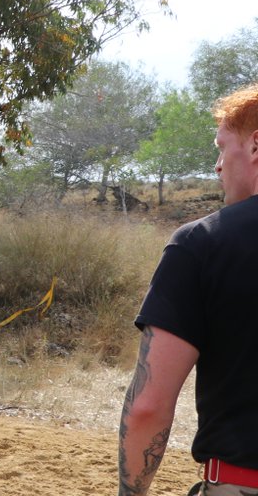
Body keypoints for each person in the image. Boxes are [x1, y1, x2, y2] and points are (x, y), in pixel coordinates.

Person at [118, 82, 258, 496]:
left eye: (221, 147)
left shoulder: (203, 243)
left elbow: (148, 407)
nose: (217, 166)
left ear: (255, 146)